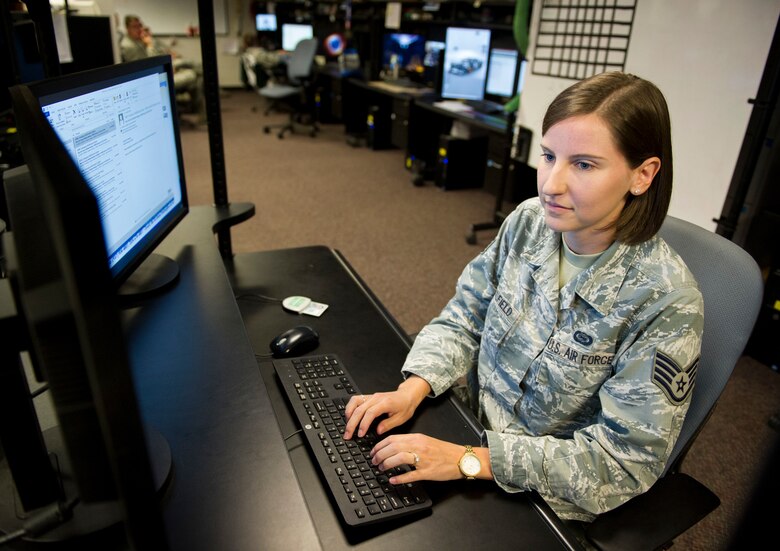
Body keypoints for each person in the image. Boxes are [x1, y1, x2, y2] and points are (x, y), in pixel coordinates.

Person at [343, 71, 704, 523]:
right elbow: (466, 315)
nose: (551, 184)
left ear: (642, 175)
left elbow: (624, 461)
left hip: (541, 494)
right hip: (464, 432)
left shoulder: (665, 299)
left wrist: (470, 461)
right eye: (549, 156)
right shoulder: (529, 222)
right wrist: (413, 389)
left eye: (584, 165)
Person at [120, 15, 205, 121]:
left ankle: (200, 112)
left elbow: (159, 55)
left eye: (140, 26)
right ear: (127, 28)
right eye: (135, 27)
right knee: (192, 75)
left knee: (196, 75)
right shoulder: (129, 46)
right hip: (152, 81)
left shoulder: (139, 40)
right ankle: (202, 112)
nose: (139, 29)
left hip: (161, 73)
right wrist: (150, 46)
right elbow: (147, 68)